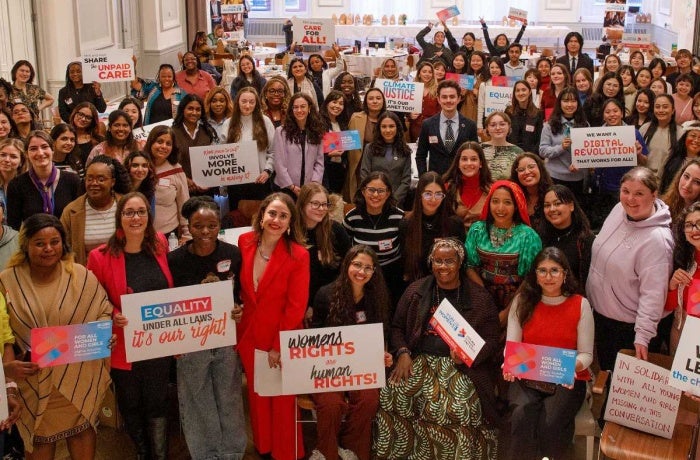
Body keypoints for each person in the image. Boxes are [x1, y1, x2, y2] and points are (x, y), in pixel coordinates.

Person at [374, 238, 500, 459]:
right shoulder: (416, 291)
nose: (443, 267)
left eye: (449, 261)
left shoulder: (479, 298)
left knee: (455, 407)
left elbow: (491, 338)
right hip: (418, 358)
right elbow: (396, 327)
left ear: (460, 263)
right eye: (438, 261)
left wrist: (467, 356)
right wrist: (403, 352)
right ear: (431, 263)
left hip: (459, 365)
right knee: (391, 395)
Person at [1, 214, 111, 458]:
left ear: (64, 243)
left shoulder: (80, 276)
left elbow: (103, 310)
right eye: (39, 243)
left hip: (79, 375)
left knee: (82, 431)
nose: (48, 248)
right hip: (34, 381)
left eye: (55, 241)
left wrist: (105, 334)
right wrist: (7, 369)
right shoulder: (8, 281)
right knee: (39, 441)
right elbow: (4, 334)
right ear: (26, 245)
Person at [87, 193, 173, 460]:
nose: (136, 218)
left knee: (158, 402)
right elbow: (94, 297)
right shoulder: (99, 257)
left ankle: (158, 455)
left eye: (141, 212)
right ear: (119, 218)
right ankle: (142, 452)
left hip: (158, 343)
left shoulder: (159, 243)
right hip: (123, 344)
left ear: (149, 216)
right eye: (129, 212)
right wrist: (113, 313)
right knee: (130, 403)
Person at [167, 196, 247, 460]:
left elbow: (241, 294)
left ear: (219, 226)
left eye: (211, 225)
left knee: (230, 397)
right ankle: (205, 454)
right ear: (188, 225)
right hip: (191, 345)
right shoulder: (174, 260)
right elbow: (167, 305)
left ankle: (233, 453)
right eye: (198, 225)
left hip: (225, 340)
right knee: (196, 401)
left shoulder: (233, 254)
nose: (204, 232)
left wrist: (239, 308)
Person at [236, 193, 309, 460]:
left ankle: (288, 453)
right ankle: (264, 448)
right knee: (256, 398)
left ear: (291, 222)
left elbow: (296, 307)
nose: (276, 220)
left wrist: (280, 345)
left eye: (283, 215)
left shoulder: (298, 255)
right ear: (262, 215)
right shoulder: (244, 242)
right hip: (250, 334)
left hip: (281, 336)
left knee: (282, 401)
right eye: (272, 213)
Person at [504, 247, 594, 460]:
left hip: (567, 378)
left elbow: (586, 355)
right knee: (521, 415)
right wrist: (508, 363)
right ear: (535, 274)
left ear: (565, 274)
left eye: (554, 270)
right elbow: (511, 345)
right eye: (542, 271)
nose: (548, 276)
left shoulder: (580, 304)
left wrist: (572, 366)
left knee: (550, 422)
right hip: (527, 375)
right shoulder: (522, 301)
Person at [586, 167, 672, 373]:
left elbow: (653, 294)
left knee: (620, 386)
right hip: (602, 315)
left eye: (639, 193)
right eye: (626, 191)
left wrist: (642, 336)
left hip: (627, 329)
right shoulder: (618, 210)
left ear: (654, 194)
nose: (630, 199)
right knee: (606, 374)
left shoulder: (657, 241)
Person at [309, 245, 390, 460]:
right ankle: (328, 453)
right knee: (331, 404)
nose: (361, 272)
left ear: (374, 272)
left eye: (368, 268)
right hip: (329, 367)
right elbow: (315, 337)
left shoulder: (377, 297)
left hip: (361, 368)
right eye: (356, 264)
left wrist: (384, 354)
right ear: (347, 264)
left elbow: (381, 336)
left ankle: (351, 449)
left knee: (369, 399)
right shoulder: (325, 294)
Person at [466, 180, 542, 320]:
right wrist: (484, 298)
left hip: (518, 300)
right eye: (495, 201)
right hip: (481, 294)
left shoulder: (527, 236)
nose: (500, 208)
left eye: (507, 202)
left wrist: (508, 313)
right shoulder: (477, 230)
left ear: (516, 206)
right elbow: (469, 266)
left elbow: (530, 278)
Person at [344, 172, 404, 305]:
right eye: (371, 190)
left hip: (391, 276)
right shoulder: (352, 217)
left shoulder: (399, 217)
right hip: (361, 275)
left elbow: (406, 248)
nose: (375, 195)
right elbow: (345, 249)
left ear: (388, 193)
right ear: (363, 191)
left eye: (381, 191)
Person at [296, 182, 351, 322]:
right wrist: (307, 306)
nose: (321, 209)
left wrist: (319, 304)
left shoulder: (336, 230)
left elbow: (348, 268)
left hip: (332, 301)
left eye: (325, 204)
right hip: (299, 303)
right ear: (302, 204)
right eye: (315, 204)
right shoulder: (291, 232)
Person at [60, 155, 131, 265]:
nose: (94, 183)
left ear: (112, 182)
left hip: (122, 271)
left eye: (101, 179)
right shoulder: (71, 211)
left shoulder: (126, 206)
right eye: (89, 179)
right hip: (86, 275)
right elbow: (63, 250)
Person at [6, 131, 80, 230]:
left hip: (66, 242)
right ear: (26, 154)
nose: (40, 153)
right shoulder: (16, 185)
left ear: (53, 149)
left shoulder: (72, 180)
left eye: (44, 147)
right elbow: (13, 226)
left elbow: (79, 219)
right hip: (33, 242)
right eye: (33, 149)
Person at [400, 172, 464, 283]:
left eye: (438, 194)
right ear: (419, 195)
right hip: (417, 284)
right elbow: (405, 263)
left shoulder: (454, 224)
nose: (433, 199)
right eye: (428, 194)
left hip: (447, 283)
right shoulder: (407, 224)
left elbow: (461, 261)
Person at [226, 87, 276, 209]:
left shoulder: (265, 122)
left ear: (256, 103)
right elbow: (222, 153)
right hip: (236, 183)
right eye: (244, 101)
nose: (247, 105)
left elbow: (274, 151)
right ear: (237, 102)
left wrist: (267, 170)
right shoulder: (228, 123)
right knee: (237, 219)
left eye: (251, 102)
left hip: (260, 180)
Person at [417, 79, 477, 176]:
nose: (448, 100)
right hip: (436, 182)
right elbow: (420, 155)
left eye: (452, 97)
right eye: (444, 97)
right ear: (438, 99)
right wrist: (424, 179)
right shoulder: (427, 124)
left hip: (461, 180)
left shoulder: (470, 125)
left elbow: (475, 155)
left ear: (459, 98)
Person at [539, 87, 589, 201]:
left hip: (577, 178)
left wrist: (580, 164)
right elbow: (542, 151)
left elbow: (588, 153)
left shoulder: (585, 125)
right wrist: (561, 147)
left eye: (573, 101)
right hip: (555, 177)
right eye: (566, 101)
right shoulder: (549, 125)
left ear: (578, 103)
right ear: (559, 103)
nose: (569, 104)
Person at [272, 93, 324, 198]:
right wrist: (292, 186)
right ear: (291, 110)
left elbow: (319, 162)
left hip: (309, 189)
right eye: (295, 107)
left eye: (303, 106)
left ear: (309, 108)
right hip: (285, 188)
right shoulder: (281, 132)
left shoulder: (317, 131)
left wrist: (314, 184)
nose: (299, 110)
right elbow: (279, 163)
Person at [540, 185, 594, 286]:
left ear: (571, 206)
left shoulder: (585, 239)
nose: (552, 209)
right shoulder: (541, 237)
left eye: (557, 203)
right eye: (547, 205)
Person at [145, 126, 191, 242]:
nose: (163, 147)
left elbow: (184, 203)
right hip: (139, 234)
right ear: (151, 142)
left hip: (168, 235)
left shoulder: (176, 170)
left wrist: (187, 234)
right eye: (159, 142)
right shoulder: (139, 166)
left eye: (168, 143)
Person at [360, 111, 412, 206]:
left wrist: (393, 200)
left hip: (396, 203)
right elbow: (364, 174)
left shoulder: (405, 151)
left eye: (391, 126)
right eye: (384, 126)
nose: (388, 130)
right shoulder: (370, 148)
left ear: (398, 128)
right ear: (379, 128)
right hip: (373, 200)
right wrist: (373, 196)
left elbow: (406, 180)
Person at [667, 202, 700, 354]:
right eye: (689, 225)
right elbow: (668, 306)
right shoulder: (683, 259)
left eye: (699, 223)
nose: (694, 230)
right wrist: (672, 285)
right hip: (680, 333)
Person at [171, 93, 219, 195]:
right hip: (181, 189)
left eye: (198, 109)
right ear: (183, 110)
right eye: (190, 108)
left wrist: (209, 181)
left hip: (206, 189)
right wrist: (185, 179)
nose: (194, 112)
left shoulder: (208, 132)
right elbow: (169, 162)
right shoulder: (172, 133)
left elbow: (213, 160)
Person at [345, 87, 387, 200]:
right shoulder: (356, 118)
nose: (374, 101)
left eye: (378, 98)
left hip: (382, 166)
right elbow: (348, 143)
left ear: (383, 101)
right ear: (366, 101)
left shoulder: (389, 119)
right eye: (371, 98)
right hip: (359, 167)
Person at [443, 141, 492, 230]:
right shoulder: (447, 188)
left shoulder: (492, 189)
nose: (469, 163)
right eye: (464, 159)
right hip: (454, 240)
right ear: (458, 163)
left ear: (481, 163)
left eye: (473, 159)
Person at [639, 93, 681, 176]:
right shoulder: (645, 128)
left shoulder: (680, 132)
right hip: (645, 177)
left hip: (668, 179)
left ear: (672, 110)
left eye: (665, 107)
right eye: (657, 107)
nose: (661, 110)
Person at [510, 152, 553, 232]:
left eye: (531, 167)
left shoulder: (553, 195)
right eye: (521, 170)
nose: (527, 172)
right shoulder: (512, 198)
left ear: (540, 168)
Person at [319, 90, 349, 194]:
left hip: (339, 170)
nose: (337, 106)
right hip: (324, 170)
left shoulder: (343, 124)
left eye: (341, 104)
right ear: (327, 103)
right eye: (334, 102)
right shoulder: (318, 122)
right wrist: (328, 155)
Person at [480, 111, 523, 180]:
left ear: (509, 127)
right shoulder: (479, 149)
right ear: (487, 128)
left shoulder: (518, 152)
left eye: (502, 124)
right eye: (493, 125)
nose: (498, 128)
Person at [660, 121, 700, 194]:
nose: (696, 140)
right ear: (685, 137)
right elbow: (659, 179)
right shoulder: (671, 157)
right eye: (693, 136)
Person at [505, 80, 543, 153]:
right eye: (517, 90)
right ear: (514, 94)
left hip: (530, 155)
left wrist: (530, 156)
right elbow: (505, 135)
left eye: (524, 90)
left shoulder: (538, 113)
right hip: (510, 154)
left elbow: (539, 139)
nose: (520, 93)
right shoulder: (509, 112)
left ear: (530, 92)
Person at [408, 62, 440, 142]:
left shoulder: (438, 90)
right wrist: (410, 114)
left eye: (430, 72)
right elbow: (405, 107)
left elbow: (441, 110)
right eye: (424, 71)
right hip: (415, 128)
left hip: (433, 128)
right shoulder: (411, 88)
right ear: (419, 74)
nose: (427, 74)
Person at [476, 57, 507, 133]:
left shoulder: (508, 84)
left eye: (497, 67)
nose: (494, 70)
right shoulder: (484, 85)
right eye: (492, 67)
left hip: (504, 119)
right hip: (488, 119)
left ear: (501, 69)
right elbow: (480, 106)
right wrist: (479, 125)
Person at [0, 138, 24, 210]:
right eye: (3, 155)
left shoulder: (27, 184)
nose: (7, 160)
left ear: (21, 162)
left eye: (13, 156)